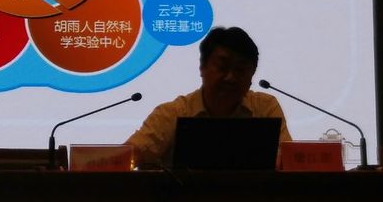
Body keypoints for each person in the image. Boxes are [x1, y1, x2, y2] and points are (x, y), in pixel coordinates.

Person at [125, 25, 291, 167]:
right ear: (202, 68)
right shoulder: (173, 113)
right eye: (222, 67)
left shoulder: (265, 107)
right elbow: (127, 157)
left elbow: (289, 161)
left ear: (252, 74)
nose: (230, 77)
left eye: (240, 70)